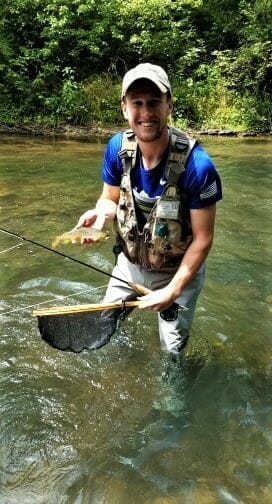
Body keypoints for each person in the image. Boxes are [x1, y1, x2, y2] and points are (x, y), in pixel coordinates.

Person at [75, 63, 222, 357]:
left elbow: (203, 239)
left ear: (169, 105)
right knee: (104, 329)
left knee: (172, 353)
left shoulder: (198, 167)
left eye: (154, 102)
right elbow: (109, 198)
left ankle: (173, 403)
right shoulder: (117, 148)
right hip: (129, 266)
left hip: (177, 271)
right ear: (125, 108)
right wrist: (100, 215)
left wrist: (173, 291)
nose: (146, 113)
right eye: (137, 103)